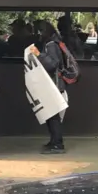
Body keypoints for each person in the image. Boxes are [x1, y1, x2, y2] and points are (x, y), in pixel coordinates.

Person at [32, 21, 68, 154]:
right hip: (54, 84)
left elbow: (52, 64)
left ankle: (58, 143)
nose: (38, 34)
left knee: (53, 116)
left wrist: (38, 54)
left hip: (54, 85)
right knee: (51, 115)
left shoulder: (51, 45)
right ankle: (54, 141)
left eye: (39, 31)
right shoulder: (55, 43)